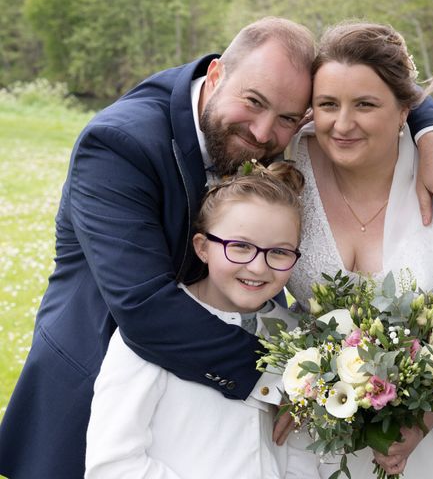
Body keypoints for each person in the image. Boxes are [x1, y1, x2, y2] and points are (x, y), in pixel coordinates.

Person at [0, 16, 433, 479]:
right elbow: (142, 308)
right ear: (216, 75)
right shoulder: (119, 145)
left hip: (227, 419)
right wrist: (298, 381)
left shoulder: (271, 89)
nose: (262, 133)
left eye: (287, 119)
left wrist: (429, 130)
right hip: (103, 388)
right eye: (253, 104)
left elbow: (368, 74)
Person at [285, 22, 433, 478]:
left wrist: (423, 421)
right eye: (327, 105)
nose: (342, 123)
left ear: (405, 111)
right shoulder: (284, 167)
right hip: (314, 440)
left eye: (366, 105)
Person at [85, 163, 320, 479]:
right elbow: (112, 464)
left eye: (278, 252)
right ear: (203, 247)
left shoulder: (296, 337)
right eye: (240, 246)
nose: (258, 267)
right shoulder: (155, 333)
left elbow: (303, 456)